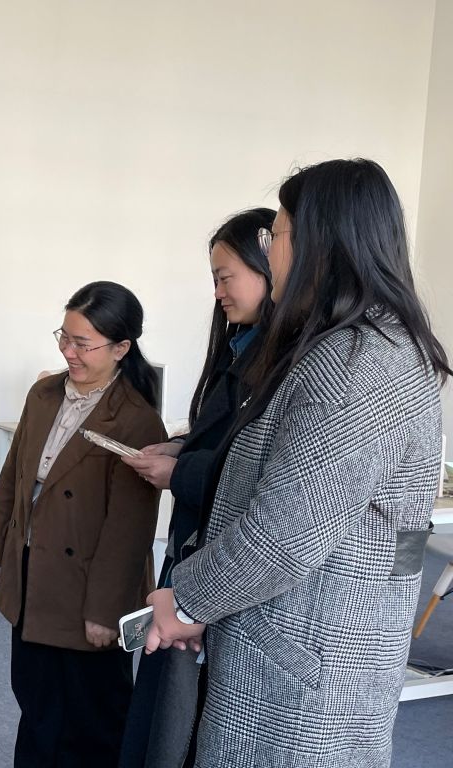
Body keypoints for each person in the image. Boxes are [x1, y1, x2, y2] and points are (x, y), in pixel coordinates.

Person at [146, 159, 450, 767]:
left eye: (275, 234)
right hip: (326, 647)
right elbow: (398, 531)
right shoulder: (377, 346)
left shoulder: (357, 361)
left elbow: (286, 534)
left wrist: (187, 599)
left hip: (304, 668)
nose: (271, 251)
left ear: (318, 242)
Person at [0, 281, 167, 767]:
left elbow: (129, 530)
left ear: (121, 348)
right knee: (36, 706)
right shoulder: (44, 395)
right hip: (34, 575)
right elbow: (14, 479)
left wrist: (104, 610)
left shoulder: (137, 420)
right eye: (64, 337)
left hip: (89, 590)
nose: (68, 352)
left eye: (83, 343)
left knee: (92, 724)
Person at [118, 207, 274, 768]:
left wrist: (179, 472)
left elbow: (262, 481)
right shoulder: (242, 348)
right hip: (193, 558)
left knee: (182, 725)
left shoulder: (293, 364)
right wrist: (182, 448)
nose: (217, 292)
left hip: (221, 574)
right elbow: (231, 444)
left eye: (225, 277)